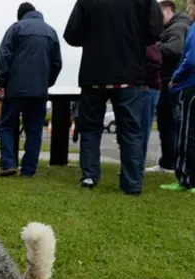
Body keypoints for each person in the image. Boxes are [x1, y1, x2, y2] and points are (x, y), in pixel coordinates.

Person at [63, 0, 163, 195]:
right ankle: (132, 183)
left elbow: (71, 35)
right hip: (129, 71)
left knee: (90, 128)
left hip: (94, 71)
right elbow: (155, 29)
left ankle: (89, 176)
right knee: (131, 130)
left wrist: (92, 36)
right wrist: (134, 36)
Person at [0, 2, 62, 177]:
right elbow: (57, 63)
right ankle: (29, 169)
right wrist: (46, 82)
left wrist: (1, 82)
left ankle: (8, 163)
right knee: (34, 130)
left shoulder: (15, 28)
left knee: (6, 125)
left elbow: (4, 55)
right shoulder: (51, 32)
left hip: (15, 88)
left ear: (20, 14)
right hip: (39, 90)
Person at [147, 0, 192, 174]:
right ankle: (169, 161)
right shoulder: (178, 27)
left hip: (172, 82)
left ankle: (169, 162)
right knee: (170, 123)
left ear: (167, 10)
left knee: (169, 124)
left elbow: (175, 50)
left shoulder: (178, 28)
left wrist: (154, 46)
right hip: (173, 81)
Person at [161, 3, 195, 193]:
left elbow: (190, 60)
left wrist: (176, 78)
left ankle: (186, 179)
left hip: (190, 85)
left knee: (186, 133)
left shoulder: (193, 28)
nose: (189, 10)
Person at [141, 44, 163, 172]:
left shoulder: (147, 42)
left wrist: (143, 79)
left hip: (148, 87)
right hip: (147, 86)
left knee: (141, 129)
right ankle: (136, 165)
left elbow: (155, 60)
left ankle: (137, 165)